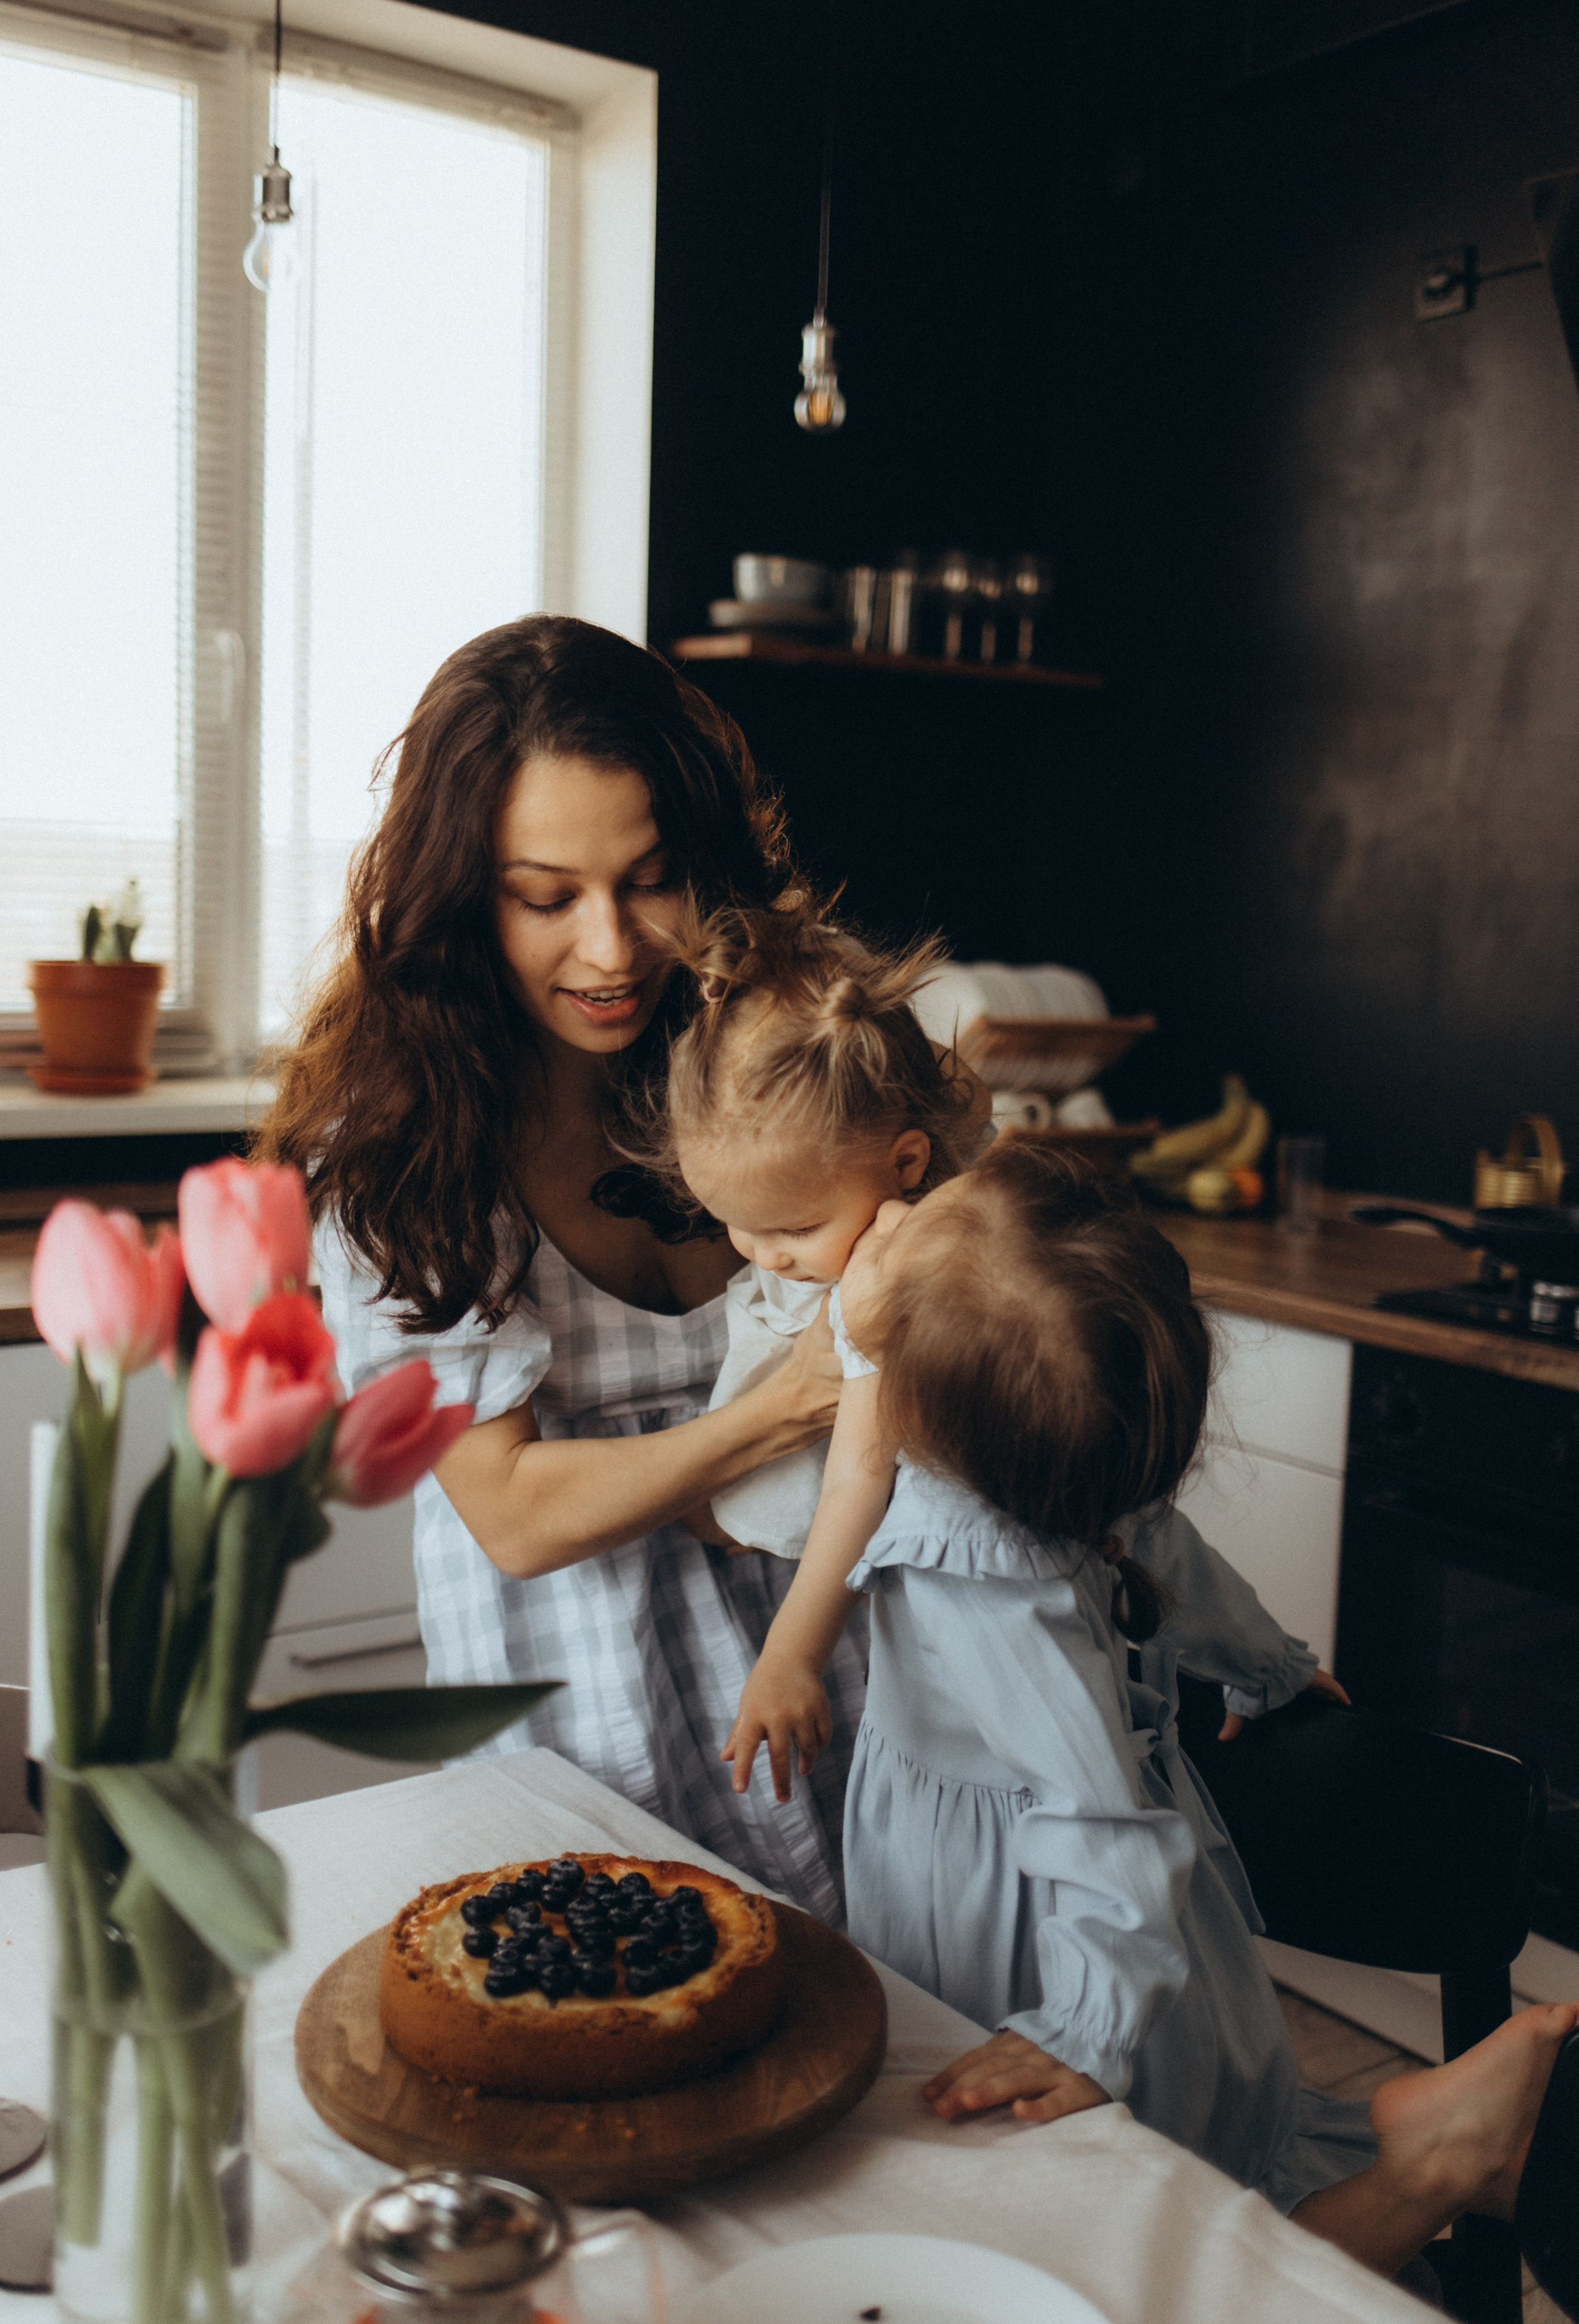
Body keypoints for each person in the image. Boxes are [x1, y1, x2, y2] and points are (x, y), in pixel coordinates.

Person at [706, 1125, 1579, 2280]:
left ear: (909, 1402)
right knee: (1195, 2166)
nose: (881, 1245)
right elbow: (1185, 1574)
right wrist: (1269, 1666)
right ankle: (1410, 2138)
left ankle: (1434, 2164)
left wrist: (1083, 2034)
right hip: (1113, 1920)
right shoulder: (1069, 1475)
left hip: (1038, 1924)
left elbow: (1100, 1821)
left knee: (1120, 2235)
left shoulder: (983, 1577)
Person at [260, 615, 865, 1923]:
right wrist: (789, 1406)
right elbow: (515, 1514)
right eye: (546, 898)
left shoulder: (770, 1056)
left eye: (650, 880)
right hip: (594, 1732)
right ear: (460, 897)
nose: (611, 948)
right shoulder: (399, 1145)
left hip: (842, 1673)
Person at [655, 902, 984, 1565]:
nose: (764, 1255)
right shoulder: (816, 1241)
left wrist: (748, 1516)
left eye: (797, 1228)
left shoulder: (907, 1278)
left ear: (906, 1164)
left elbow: (858, 1479)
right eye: (733, 1223)